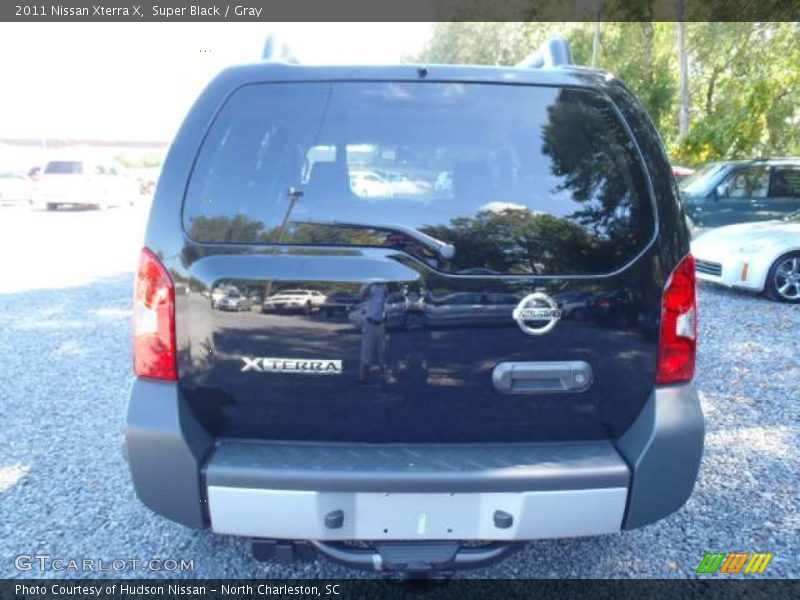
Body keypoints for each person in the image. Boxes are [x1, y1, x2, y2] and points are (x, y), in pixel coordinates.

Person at [359, 279, 389, 384]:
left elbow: (386, 296)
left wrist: (382, 284)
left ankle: (383, 377)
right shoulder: (367, 284)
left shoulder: (384, 286)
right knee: (366, 351)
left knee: (382, 352)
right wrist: (371, 283)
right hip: (369, 323)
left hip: (380, 323)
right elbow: (361, 297)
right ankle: (362, 378)